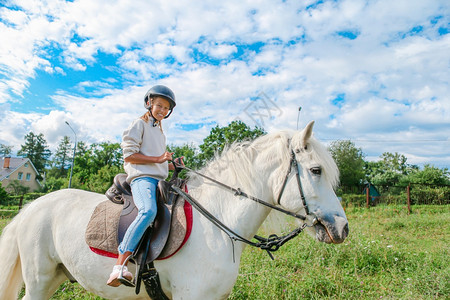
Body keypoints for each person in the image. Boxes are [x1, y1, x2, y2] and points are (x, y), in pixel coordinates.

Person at [107, 85, 182, 287]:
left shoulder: (159, 131)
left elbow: (156, 162)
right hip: (143, 179)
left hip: (160, 181)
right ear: (149, 103)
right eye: (159, 105)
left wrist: (172, 165)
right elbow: (129, 155)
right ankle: (119, 266)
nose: (162, 110)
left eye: (166, 108)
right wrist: (159, 158)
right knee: (148, 211)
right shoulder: (138, 125)